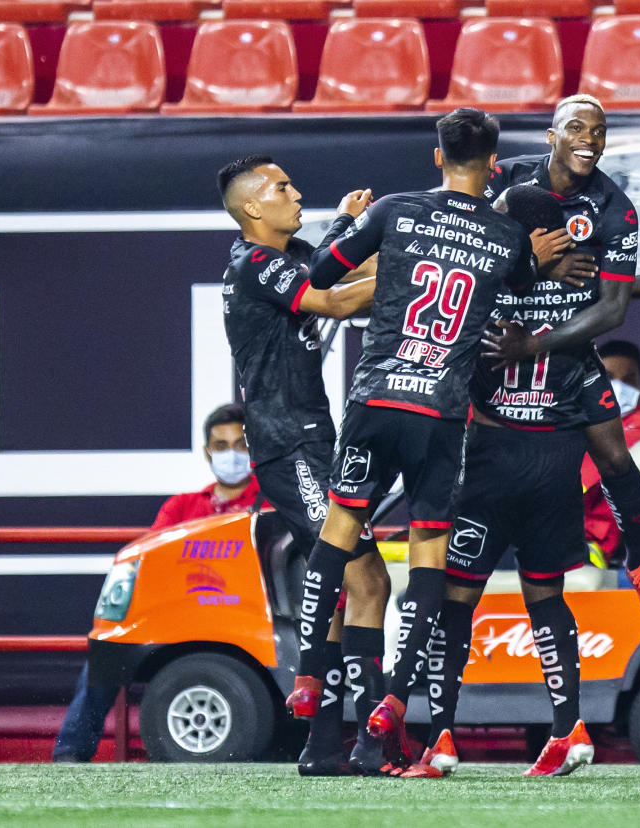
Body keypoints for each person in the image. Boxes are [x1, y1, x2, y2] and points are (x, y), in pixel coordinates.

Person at [293, 107, 538, 774]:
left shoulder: (396, 211)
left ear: (437, 158)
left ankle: (310, 673)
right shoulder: (508, 236)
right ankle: (395, 697)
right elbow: (522, 284)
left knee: (337, 534)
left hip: (377, 398)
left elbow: (320, 274)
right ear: (492, 165)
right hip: (440, 414)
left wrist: (345, 221)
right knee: (428, 556)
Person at [403, 185, 608, 780]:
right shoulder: (584, 283)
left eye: (499, 223)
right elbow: (615, 303)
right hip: (556, 459)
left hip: (492, 457)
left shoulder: (483, 281)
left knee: (455, 602)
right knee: (547, 598)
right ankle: (568, 728)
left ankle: (440, 737)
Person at [218, 155, 390, 776]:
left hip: (311, 443)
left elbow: (347, 268)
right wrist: (423, 265)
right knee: (366, 581)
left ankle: (325, 745)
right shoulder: (257, 264)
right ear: (253, 209)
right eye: (282, 187)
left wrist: (365, 234)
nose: (296, 193)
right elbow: (335, 300)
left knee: (353, 587)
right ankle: (366, 741)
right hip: (291, 449)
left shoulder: (280, 259)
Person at [479, 94, 640, 626]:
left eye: (599, 131)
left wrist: (536, 344)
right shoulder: (502, 181)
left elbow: (612, 311)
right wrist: (537, 269)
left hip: (561, 353)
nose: (589, 139)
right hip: (492, 350)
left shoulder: (614, 208)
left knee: (615, 458)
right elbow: (465, 254)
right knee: (443, 445)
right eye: (577, 128)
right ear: (552, 135)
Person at [52, 404, 262, 763]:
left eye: (241, 444)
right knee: (107, 648)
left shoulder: (270, 503)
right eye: (221, 445)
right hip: (176, 624)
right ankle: (70, 754)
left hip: (250, 622)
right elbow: (151, 561)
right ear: (207, 452)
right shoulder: (181, 507)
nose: (232, 454)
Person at [581, 340, 640, 565]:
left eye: (629, 379)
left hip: (593, 540)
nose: (618, 386)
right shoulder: (577, 417)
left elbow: (596, 464)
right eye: (608, 377)